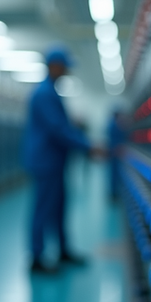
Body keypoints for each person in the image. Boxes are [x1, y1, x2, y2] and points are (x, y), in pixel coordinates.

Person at [23, 46, 104, 273]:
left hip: (54, 162)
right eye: (65, 66)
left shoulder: (50, 92)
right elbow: (58, 129)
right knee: (43, 209)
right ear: (55, 66)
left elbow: (62, 128)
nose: (67, 71)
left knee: (58, 208)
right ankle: (36, 258)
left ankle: (63, 250)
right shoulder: (44, 94)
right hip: (45, 162)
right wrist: (88, 146)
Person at [107, 109, 127, 202]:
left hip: (113, 151)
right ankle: (113, 193)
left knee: (113, 173)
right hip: (115, 152)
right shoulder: (115, 125)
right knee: (114, 174)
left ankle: (113, 193)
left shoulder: (111, 124)